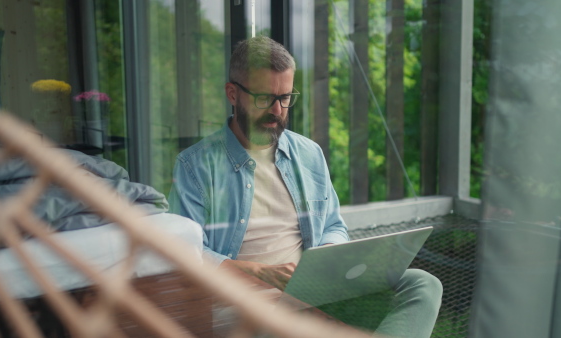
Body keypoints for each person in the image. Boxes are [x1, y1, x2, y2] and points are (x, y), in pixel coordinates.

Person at [169, 36, 442, 337]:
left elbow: (334, 226)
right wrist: (261, 273)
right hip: (245, 307)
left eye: (285, 97)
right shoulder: (195, 166)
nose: (277, 110)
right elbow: (186, 255)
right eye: (264, 98)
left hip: (312, 297)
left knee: (422, 284)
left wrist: (328, 260)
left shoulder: (308, 154)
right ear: (232, 94)